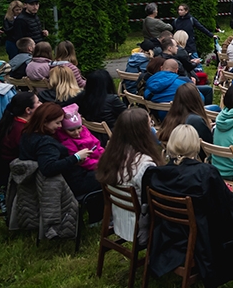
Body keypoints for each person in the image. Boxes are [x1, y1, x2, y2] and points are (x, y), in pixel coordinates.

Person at [147, 124, 233, 281]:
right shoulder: (205, 173)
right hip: (204, 238)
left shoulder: (156, 174)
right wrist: (227, 193)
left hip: (170, 235)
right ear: (195, 145)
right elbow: (226, 208)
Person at [95, 108, 164, 248]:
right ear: (142, 132)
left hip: (120, 218)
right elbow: (157, 200)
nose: (153, 127)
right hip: (141, 226)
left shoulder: (111, 154)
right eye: (150, 124)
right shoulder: (144, 165)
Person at [18, 102, 100, 197]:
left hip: (58, 181)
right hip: (71, 183)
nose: (60, 126)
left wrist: (74, 161)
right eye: (57, 122)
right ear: (44, 122)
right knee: (109, 176)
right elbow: (49, 167)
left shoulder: (27, 135)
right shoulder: (45, 143)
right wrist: (76, 157)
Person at [0, 91, 39, 188]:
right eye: (38, 102)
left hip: (4, 173)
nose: (41, 104)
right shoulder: (22, 131)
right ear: (28, 110)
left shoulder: (10, 123)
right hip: (16, 177)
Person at [54, 104, 105, 172]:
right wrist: (101, 165)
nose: (77, 132)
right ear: (64, 129)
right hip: (92, 168)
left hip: (100, 160)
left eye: (79, 128)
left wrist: (105, 156)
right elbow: (84, 162)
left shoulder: (84, 130)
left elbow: (97, 145)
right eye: (71, 130)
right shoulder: (66, 141)